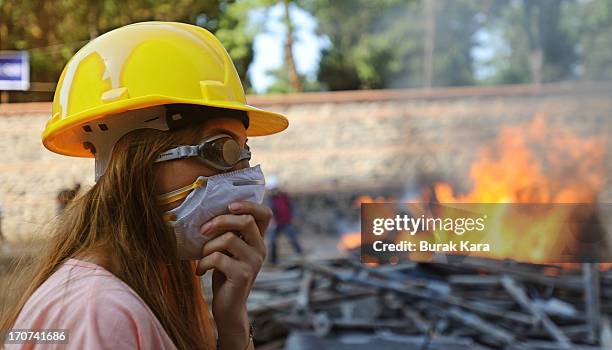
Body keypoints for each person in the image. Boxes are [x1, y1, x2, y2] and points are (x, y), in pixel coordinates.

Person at [0, 22, 288, 350]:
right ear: (134, 162)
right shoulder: (99, 313)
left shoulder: (161, 280)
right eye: (221, 150)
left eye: (245, 152)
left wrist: (233, 324)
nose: (244, 175)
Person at [266, 176, 303, 264]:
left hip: (286, 221)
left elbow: (292, 207)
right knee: (272, 241)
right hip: (276, 223)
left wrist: (293, 217)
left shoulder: (285, 196)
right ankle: (273, 261)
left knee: (293, 239)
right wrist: (272, 221)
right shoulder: (270, 199)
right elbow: (270, 210)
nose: (273, 191)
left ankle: (300, 256)